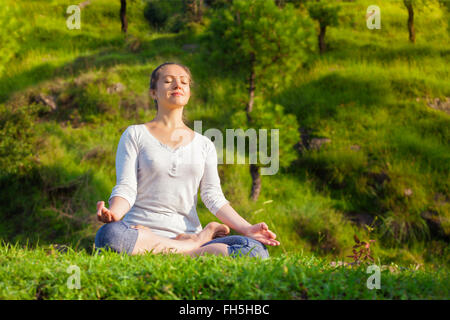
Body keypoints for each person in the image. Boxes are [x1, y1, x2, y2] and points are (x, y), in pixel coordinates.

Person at [94, 62, 280, 259]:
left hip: (184, 233)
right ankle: (194, 247)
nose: (177, 85)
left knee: (255, 250)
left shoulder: (204, 144)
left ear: (189, 93)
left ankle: (180, 247)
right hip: (139, 231)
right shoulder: (135, 134)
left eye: (184, 82)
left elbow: (213, 196)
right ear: (153, 93)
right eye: (168, 81)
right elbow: (126, 187)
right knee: (110, 235)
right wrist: (114, 213)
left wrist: (247, 228)